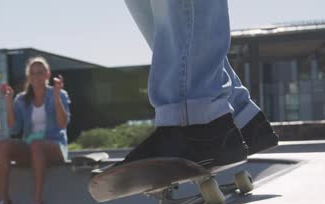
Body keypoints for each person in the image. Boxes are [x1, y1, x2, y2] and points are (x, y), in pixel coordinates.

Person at [116, 0, 278, 167]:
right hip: (230, 115)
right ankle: (238, 117)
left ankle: (196, 123)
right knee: (153, 9)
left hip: (191, 122)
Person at [0, 57, 71, 204]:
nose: (36, 76)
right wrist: (8, 103)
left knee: (36, 144)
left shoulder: (59, 94)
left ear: (47, 74)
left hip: (54, 147)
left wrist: (57, 97)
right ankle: (5, 201)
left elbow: (62, 124)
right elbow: (14, 129)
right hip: (31, 149)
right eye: (32, 73)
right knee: (3, 145)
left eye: (40, 72)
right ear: (28, 76)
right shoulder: (21, 99)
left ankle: (36, 203)